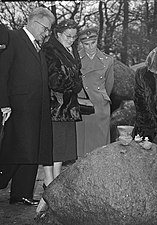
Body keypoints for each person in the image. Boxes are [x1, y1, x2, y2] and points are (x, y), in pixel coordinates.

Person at [0, 7, 55, 206]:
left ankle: (21, 193)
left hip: (36, 107)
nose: (47, 33)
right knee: (16, 149)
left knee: (32, 150)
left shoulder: (38, 45)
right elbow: (2, 72)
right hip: (17, 106)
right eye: (46, 28)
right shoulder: (12, 38)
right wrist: (4, 103)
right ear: (34, 22)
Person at [36, 19, 83, 213]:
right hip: (55, 106)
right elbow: (54, 80)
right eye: (68, 36)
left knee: (61, 151)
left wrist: (74, 82)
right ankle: (49, 188)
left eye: (74, 36)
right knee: (53, 148)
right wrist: (74, 84)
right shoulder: (49, 49)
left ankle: (53, 187)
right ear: (58, 33)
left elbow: (76, 76)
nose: (71, 40)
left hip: (66, 106)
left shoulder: (70, 50)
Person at [76, 27, 114, 157]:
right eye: (86, 44)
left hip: (100, 107)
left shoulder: (108, 60)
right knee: (82, 144)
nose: (90, 47)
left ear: (97, 41)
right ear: (81, 44)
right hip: (83, 105)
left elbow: (109, 85)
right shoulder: (75, 59)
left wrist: (101, 98)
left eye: (93, 43)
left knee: (100, 146)